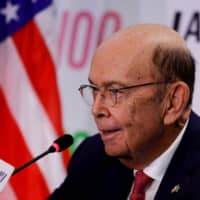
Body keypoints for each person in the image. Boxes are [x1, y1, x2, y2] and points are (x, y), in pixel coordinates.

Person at [48, 23, 200, 200]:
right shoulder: (93, 156)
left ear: (173, 102)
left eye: (116, 91)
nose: (96, 109)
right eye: (95, 90)